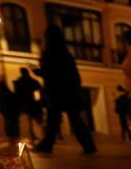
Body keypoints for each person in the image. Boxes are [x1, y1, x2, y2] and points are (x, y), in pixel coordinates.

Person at [34, 24, 96, 155]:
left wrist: (36, 71)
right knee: (74, 119)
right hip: (70, 90)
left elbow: (49, 72)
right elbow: (73, 73)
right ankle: (89, 145)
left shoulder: (50, 52)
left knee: (53, 119)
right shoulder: (66, 52)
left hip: (57, 91)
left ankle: (47, 144)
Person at [14, 68, 43, 143]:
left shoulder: (19, 82)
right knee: (36, 120)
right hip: (32, 104)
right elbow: (38, 93)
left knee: (30, 120)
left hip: (26, 104)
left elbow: (17, 94)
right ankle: (36, 136)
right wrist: (38, 101)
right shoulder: (32, 81)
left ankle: (33, 136)